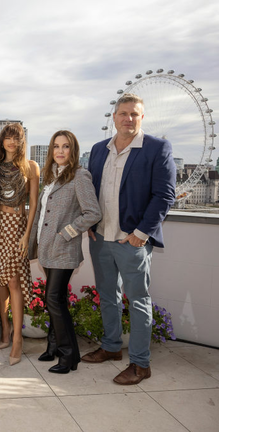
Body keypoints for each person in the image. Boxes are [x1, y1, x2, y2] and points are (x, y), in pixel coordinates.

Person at [82, 93, 176, 385]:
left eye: (134, 114)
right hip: (101, 237)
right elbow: (91, 189)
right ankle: (111, 348)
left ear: (142, 117)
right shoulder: (99, 149)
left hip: (131, 240)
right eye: (123, 113)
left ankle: (140, 363)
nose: (128, 119)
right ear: (114, 117)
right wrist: (90, 222)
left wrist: (140, 234)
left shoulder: (157, 148)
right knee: (108, 296)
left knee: (137, 301)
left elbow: (165, 195)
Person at [28, 130, 101, 374]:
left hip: (63, 249)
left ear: (73, 150)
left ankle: (70, 356)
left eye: (65, 146)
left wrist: (66, 233)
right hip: (47, 249)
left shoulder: (80, 176)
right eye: (56, 146)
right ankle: (53, 347)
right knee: (55, 300)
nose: (60, 151)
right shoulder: (50, 177)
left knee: (53, 299)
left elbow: (93, 212)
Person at [0, 123, 40, 366]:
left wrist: (26, 236)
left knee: (14, 280)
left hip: (16, 226)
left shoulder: (30, 167)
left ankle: (18, 339)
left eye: (15, 138)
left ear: (21, 142)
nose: (11, 141)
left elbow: (33, 204)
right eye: (7, 137)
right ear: (2, 141)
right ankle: (5, 330)